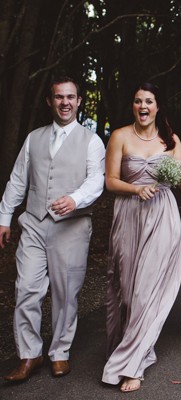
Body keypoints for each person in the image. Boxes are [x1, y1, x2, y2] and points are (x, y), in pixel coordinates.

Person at [0, 76, 105, 381]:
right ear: (50, 101)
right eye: (59, 97)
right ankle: (29, 354)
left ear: (79, 101)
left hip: (71, 227)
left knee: (65, 293)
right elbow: (18, 180)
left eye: (70, 97)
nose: (65, 103)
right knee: (26, 289)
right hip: (33, 223)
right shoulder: (34, 138)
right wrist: (4, 218)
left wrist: (75, 199)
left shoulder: (92, 141)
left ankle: (59, 352)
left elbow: (96, 179)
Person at [102, 82, 181, 392]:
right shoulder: (120, 137)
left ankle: (132, 366)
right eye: (138, 101)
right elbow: (110, 181)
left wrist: (175, 171)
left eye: (149, 101)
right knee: (127, 291)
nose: (143, 106)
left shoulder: (171, 140)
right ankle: (135, 347)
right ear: (133, 106)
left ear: (157, 106)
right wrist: (136, 188)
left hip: (162, 216)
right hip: (128, 214)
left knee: (146, 292)